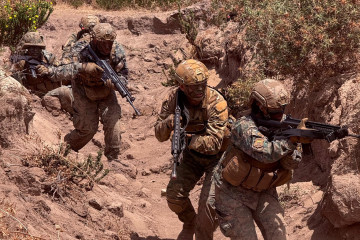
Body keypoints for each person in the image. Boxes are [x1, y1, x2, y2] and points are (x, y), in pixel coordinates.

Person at [210, 79, 304, 240]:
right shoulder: (243, 126)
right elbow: (264, 153)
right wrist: (290, 141)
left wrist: (294, 146)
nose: (280, 113)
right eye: (275, 110)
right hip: (232, 193)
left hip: (264, 190)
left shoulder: (284, 126)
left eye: (282, 108)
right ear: (260, 106)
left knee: (278, 235)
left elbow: (292, 163)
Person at [154, 59, 229, 240]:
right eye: (193, 87)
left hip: (217, 158)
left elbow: (214, 145)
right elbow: (159, 134)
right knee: (174, 197)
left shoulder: (217, 102)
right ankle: (190, 223)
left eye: (202, 85)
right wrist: (169, 123)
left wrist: (186, 140)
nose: (199, 90)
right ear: (181, 86)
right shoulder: (173, 99)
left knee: (208, 208)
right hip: (191, 157)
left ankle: (203, 231)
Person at [49, 23, 128, 161]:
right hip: (82, 90)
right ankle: (64, 151)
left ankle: (113, 160)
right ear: (94, 40)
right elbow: (57, 72)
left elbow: (124, 76)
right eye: (103, 43)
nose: (107, 47)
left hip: (105, 91)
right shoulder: (80, 48)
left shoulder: (117, 51)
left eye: (110, 43)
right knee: (87, 129)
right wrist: (83, 67)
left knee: (113, 122)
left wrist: (115, 84)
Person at [10, 31, 61, 97]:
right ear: (27, 48)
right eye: (32, 48)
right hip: (33, 94)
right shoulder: (22, 58)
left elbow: (61, 71)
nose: (35, 50)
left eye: (38, 48)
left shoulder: (49, 57)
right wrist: (18, 68)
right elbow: (12, 76)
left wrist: (49, 70)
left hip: (52, 92)